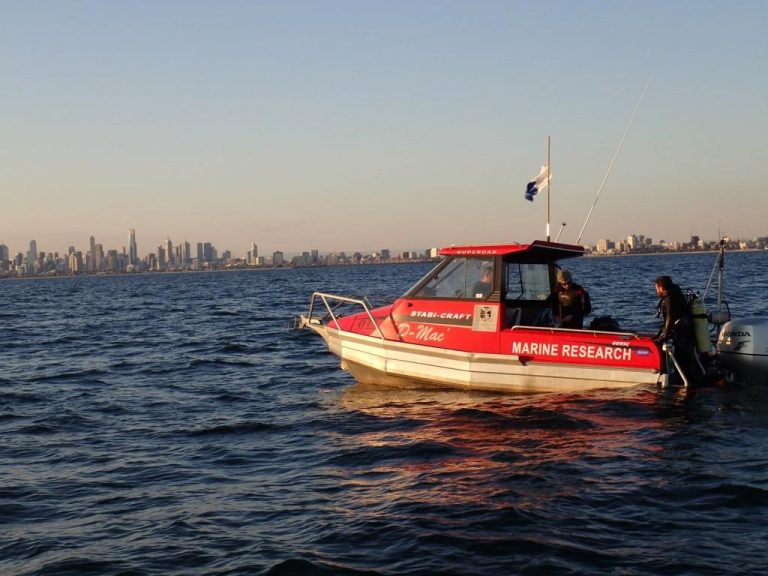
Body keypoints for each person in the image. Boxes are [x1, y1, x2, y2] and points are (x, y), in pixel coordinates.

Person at [654, 275, 702, 383]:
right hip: (687, 332)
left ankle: (689, 385)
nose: (657, 291)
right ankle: (694, 381)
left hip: (682, 335)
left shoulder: (670, 298)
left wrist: (664, 336)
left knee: (683, 361)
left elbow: (670, 317)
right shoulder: (677, 294)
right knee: (688, 360)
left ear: (661, 287)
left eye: (656, 288)